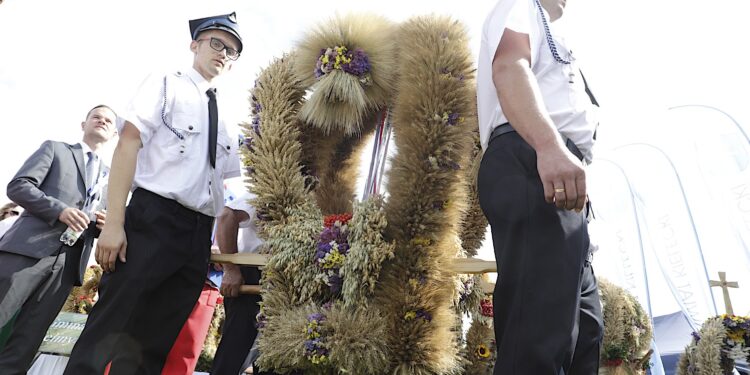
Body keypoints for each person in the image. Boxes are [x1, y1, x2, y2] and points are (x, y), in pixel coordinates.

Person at [64, 12, 244, 375]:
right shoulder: (166, 84)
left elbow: (223, 181)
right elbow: (128, 145)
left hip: (197, 236)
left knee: (155, 343)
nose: (224, 53)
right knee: (111, 326)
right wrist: (114, 223)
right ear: (194, 44)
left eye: (233, 51)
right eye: (217, 43)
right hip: (154, 218)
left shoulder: (226, 114)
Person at [476, 0, 603, 374]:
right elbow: (510, 65)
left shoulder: (549, 28)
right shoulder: (520, 5)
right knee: (538, 338)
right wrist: (548, 147)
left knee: (581, 334)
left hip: (557, 171)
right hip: (532, 154)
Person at [0, 105, 116, 373]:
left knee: (28, 340)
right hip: (27, 251)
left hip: (68, 265)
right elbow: (19, 186)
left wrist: (104, 226)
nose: (102, 121)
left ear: (114, 134)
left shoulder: (112, 176)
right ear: (83, 124)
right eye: (96, 117)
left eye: (109, 121)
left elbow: (107, 220)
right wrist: (59, 210)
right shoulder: (56, 149)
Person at [211, 189, 265, 375]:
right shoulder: (270, 191)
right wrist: (231, 269)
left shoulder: (320, 198)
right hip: (252, 277)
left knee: (276, 361)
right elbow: (227, 216)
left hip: (288, 283)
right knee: (233, 356)